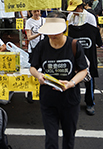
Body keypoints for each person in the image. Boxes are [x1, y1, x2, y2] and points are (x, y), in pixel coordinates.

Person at [30, 12, 88, 149]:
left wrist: (71, 83)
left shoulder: (74, 45)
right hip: (48, 100)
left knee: (69, 137)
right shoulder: (42, 46)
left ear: (63, 30)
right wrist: (38, 76)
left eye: (55, 33)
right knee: (51, 139)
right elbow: (33, 67)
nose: (52, 36)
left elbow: (83, 70)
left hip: (70, 100)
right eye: (49, 33)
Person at [67, 0, 102, 116]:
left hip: (88, 52)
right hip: (74, 53)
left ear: (80, 7)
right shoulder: (70, 18)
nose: (72, 12)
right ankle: (72, 102)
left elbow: (95, 37)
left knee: (89, 79)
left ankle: (90, 103)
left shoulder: (90, 18)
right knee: (72, 79)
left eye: (74, 9)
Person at [25, 9, 45, 103]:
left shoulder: (44, 20)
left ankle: (42, 91)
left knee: (44, 70)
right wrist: (39, 34)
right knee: (33, 70)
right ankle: (30, 92)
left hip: (44, 49)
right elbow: (29, 37)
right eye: (34, 11)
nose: (37, 13)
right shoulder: (29, 22)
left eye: (38, 11)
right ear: (31, 12)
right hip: (33, 49)